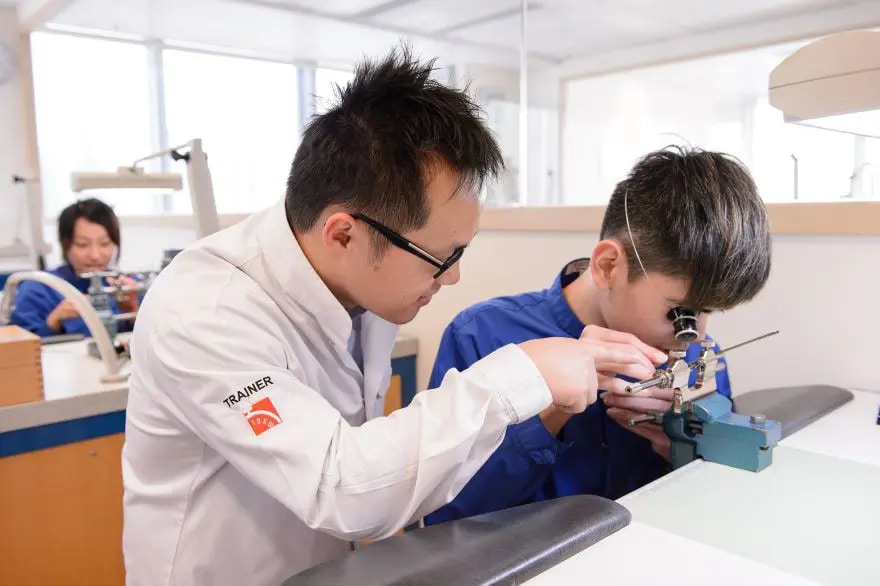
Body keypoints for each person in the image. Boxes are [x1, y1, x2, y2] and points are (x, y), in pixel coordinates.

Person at [120, 46, 661, 586]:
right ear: (343, 234)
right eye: (441, 257)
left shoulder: (362, 286)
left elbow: (393, 474)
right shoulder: (204, 313)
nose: (452, 278)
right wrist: (521, 373)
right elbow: (341, 486)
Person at [423, 146, 772, 526]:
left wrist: (680, 446)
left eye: (708, 313)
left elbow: (718, 501)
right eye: (681, 313)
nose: (693, 336)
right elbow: (445, 521)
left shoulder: (699, 360)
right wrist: (547, 415)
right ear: (608, 266)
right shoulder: (481, 335)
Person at [9, 198, 139, 337]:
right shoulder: (37, 289)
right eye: (83, 244)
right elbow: (20, 351)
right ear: (65, 244)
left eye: (104, 243)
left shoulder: (128, 288)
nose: (95, 255)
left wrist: (133, 312)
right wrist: (54, 322)